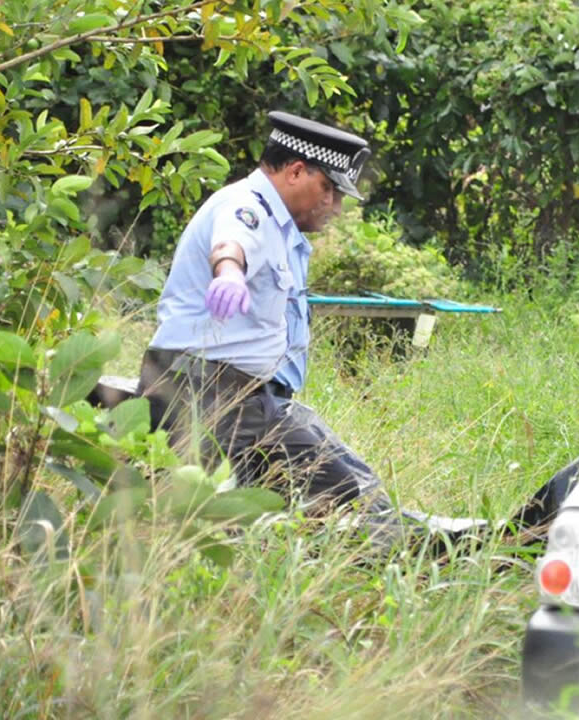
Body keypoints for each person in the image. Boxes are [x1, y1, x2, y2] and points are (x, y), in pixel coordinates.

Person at [138, 111, 476, 546]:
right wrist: (228, 273)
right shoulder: (246, 208)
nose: (334, 207)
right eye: (330, 191)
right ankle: (405, 558)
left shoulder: (284, 228)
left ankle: (437, 544)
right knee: (338, 492)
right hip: (205, 389)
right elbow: (232, 241)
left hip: (245, 394)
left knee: (352, 480)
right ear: (297, 171)